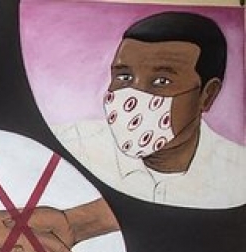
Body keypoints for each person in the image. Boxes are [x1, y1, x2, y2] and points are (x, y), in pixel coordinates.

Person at [53, 11, 244, 209]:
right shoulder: (72, 146)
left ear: (207, 95)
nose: (134, 95)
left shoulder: (237, 173)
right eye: (124, 77)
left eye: (162, 81)